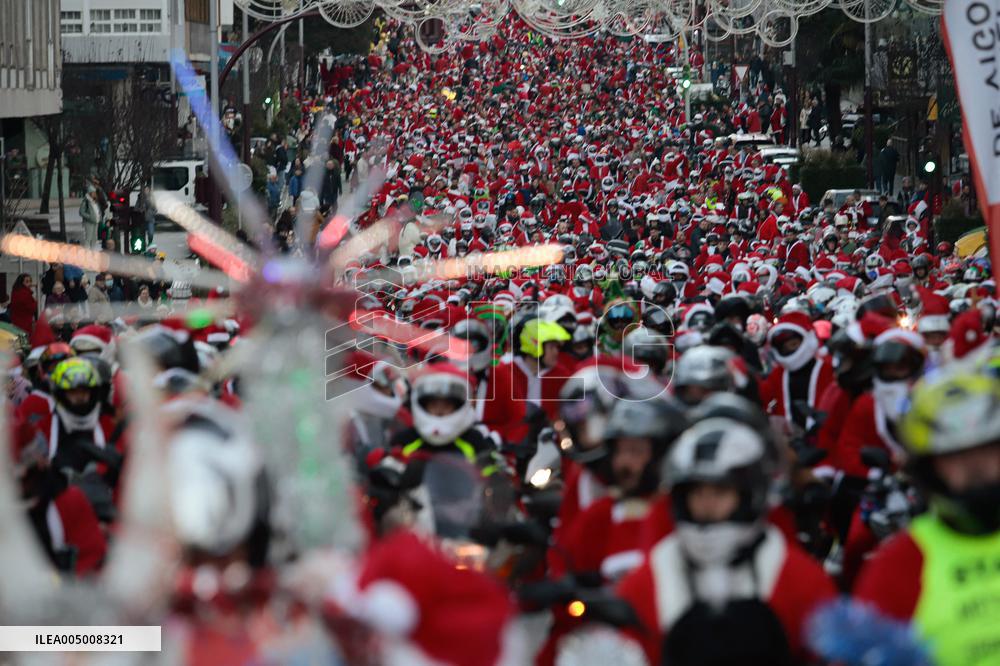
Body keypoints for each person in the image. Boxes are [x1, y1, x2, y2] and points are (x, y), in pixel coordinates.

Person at [617, 417, 836, 665]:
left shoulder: (799, 579)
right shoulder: (647, 580)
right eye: (697, 493)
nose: (707, 505)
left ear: (749, 496)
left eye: (720, 492)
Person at [853, 362, 1000, 665]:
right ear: (928, 469)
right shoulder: (898, 566)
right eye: (955, 455)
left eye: (987, 450)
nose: (976, 468)